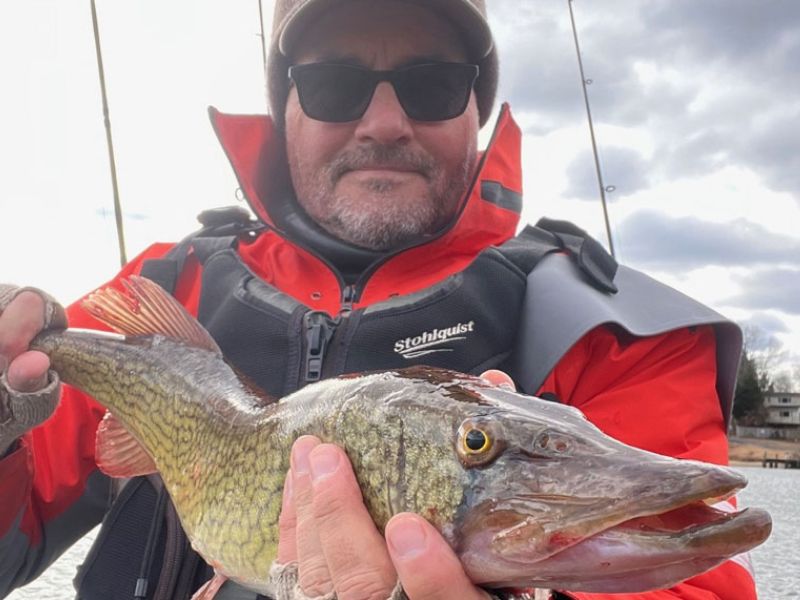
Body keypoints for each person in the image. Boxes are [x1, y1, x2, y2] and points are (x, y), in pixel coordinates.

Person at [0, 1, 758, 599]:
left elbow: (695, 583)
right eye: (335, 84)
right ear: (285, 104)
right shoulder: (164, 288)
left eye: (433, 84)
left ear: (478, 107)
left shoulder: (607, 328)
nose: (385, 123)